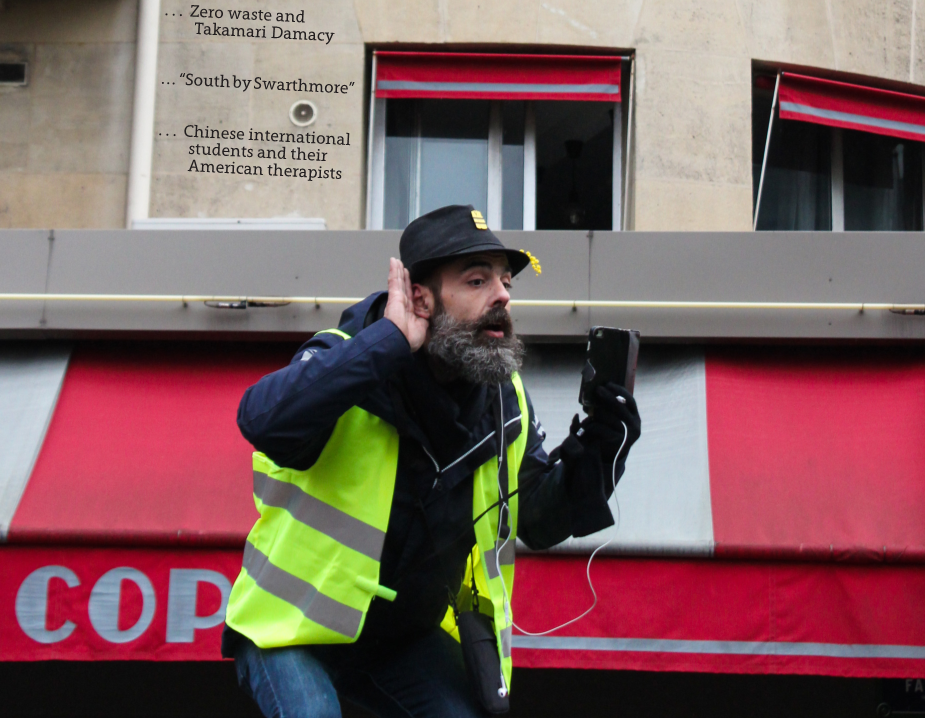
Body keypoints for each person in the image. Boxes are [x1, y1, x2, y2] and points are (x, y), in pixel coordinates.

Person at [224, 203, 641, 718]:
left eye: (505, 281)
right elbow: (261, 420)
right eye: (476, 280)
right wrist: (387, 343)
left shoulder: (503, 396)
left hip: (400, 640)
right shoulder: (348, 355)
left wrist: (601, 448)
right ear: (420, 298)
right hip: (291, 628)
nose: (503, 295)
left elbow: (536, 516)